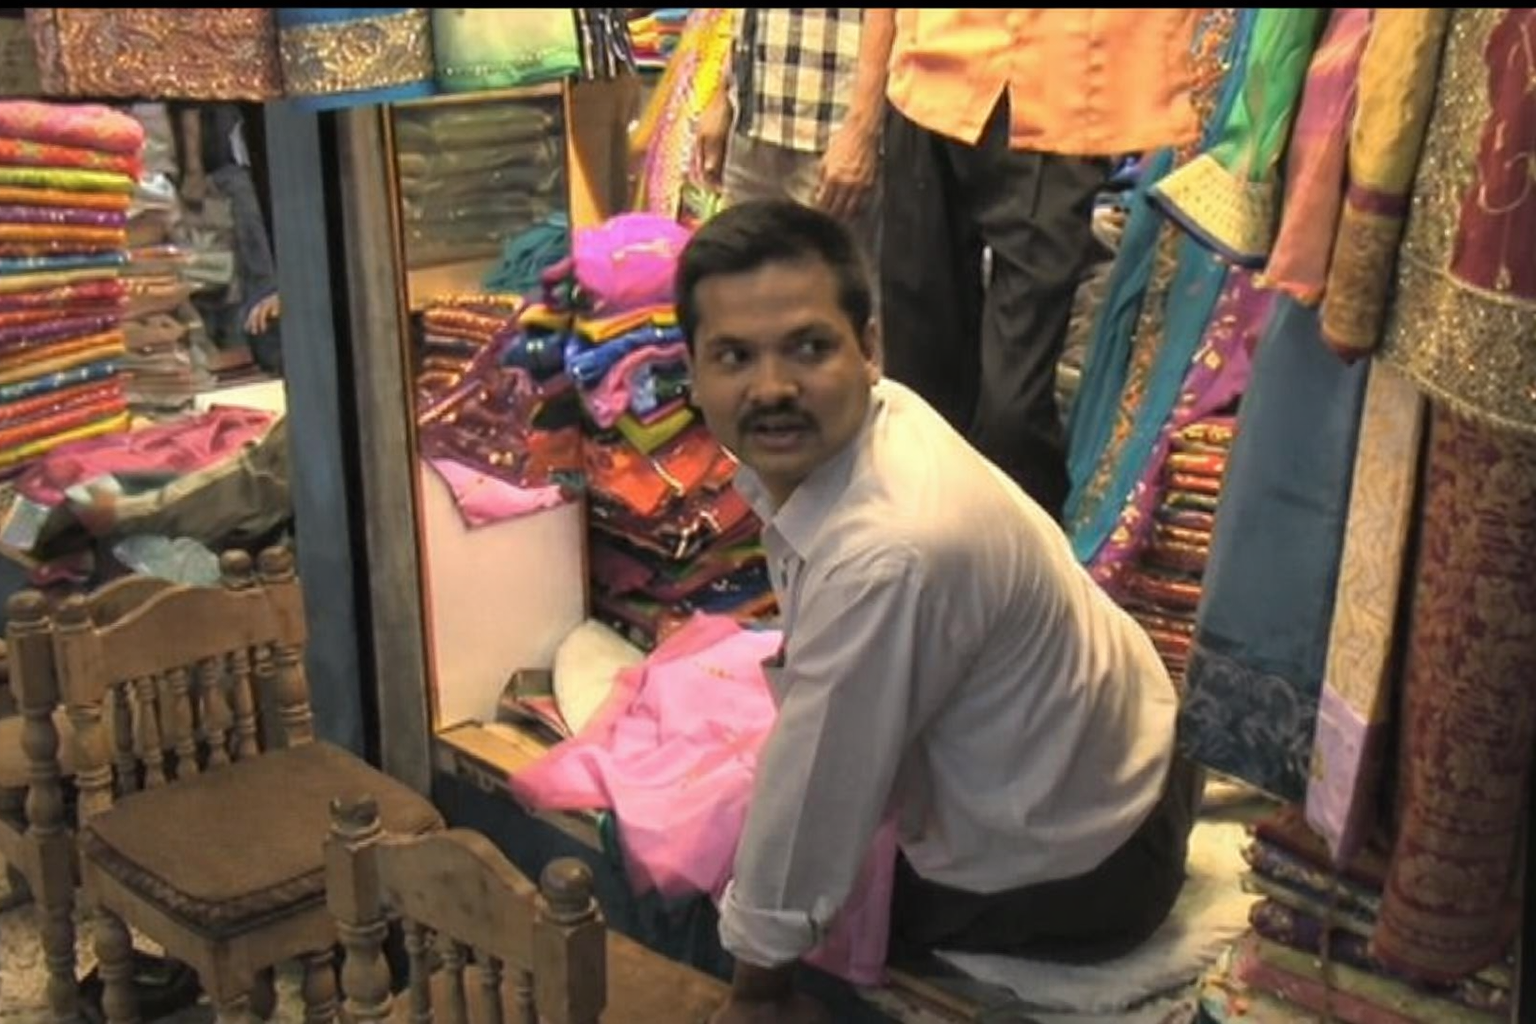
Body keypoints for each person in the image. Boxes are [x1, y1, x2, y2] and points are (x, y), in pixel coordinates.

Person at [678, 200, 1199, 1024]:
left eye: (808, 348)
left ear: (870, 349)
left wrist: (757, 990)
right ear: (694, 371)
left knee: (705, 875)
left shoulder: (890, 549)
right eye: (734, 356)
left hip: (1095, 866)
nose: (772, 387)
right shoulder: (886, 425)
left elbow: (814, 798)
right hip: (1138, 768)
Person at [868, 9, 1207, 520]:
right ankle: (923, 553)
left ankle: (1023, 567)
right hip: (930, 76)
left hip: (1061, 95)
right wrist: (862, 111)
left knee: (1013, 411)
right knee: (918, 380)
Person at [694, 9, 889, 260]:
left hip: (831, 138)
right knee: (740, 279)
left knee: (831, 287)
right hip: (751, 125)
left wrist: (861, 130)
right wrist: (719, 94)